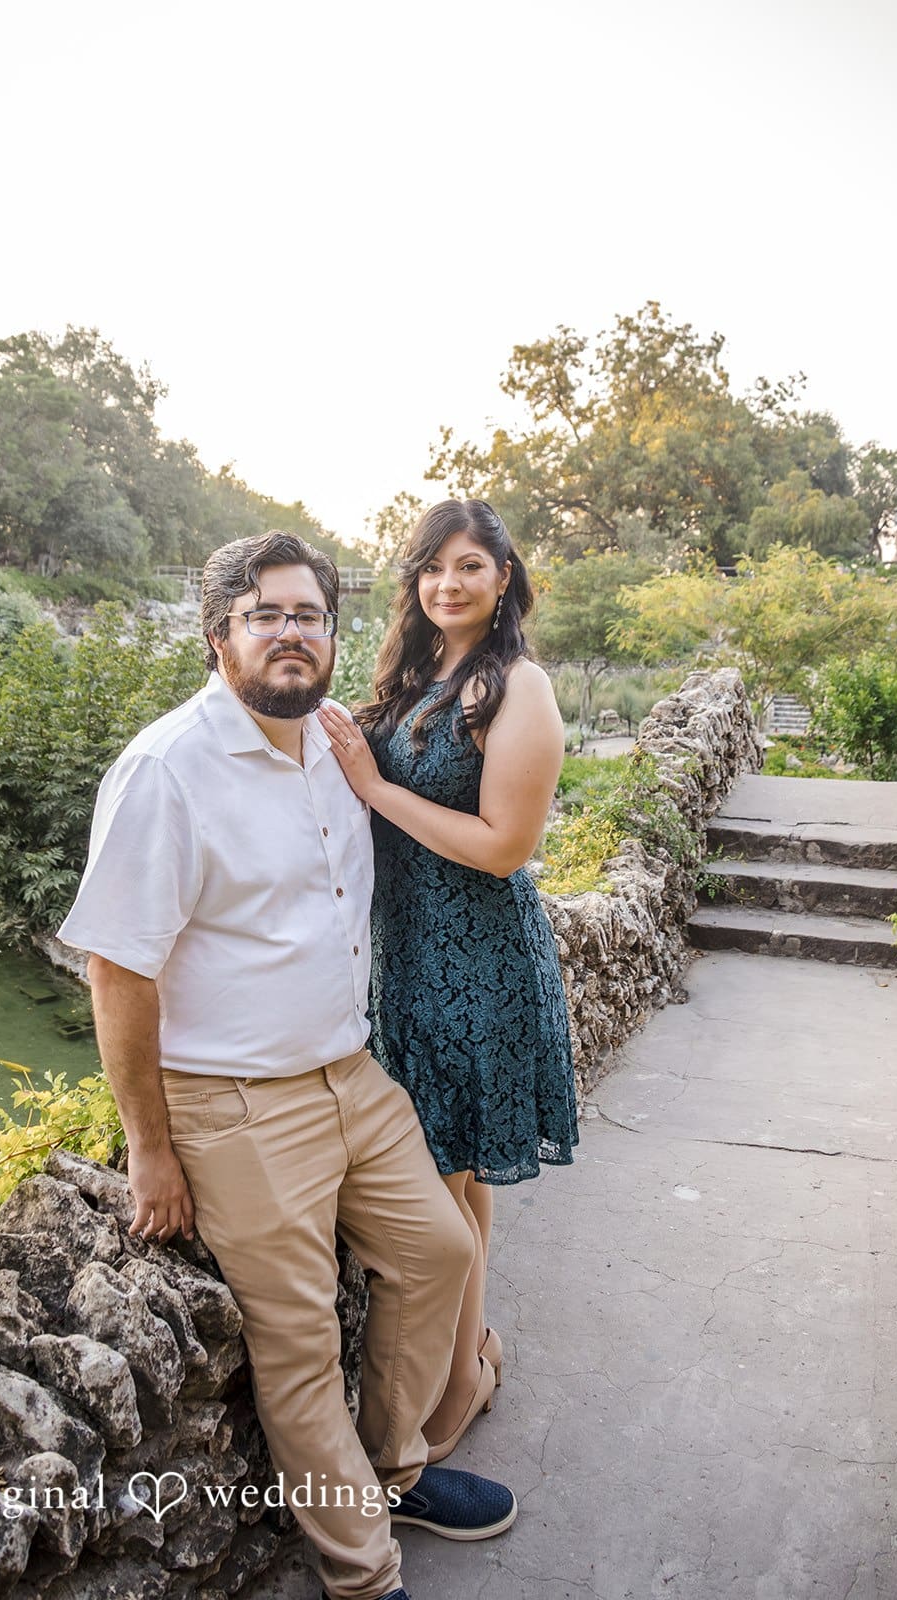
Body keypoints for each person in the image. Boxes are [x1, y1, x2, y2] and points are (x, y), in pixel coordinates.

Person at [57, 531, 517, 1600]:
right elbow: (116, 969)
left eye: (308, 614)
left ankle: (392, 1473)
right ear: (218, 635)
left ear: (332, 632)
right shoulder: (166, 770)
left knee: (439, 1253)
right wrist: (149, 1147)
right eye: (263, 615)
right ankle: (363, 1573)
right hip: (235, 1104)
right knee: (300, 1343)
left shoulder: (334, 740)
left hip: (351, 1076)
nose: (289, 633)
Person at [318, 499, 578, 1463]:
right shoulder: (414, 675)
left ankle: (461, 1377)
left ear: (503, 577)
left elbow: (505, 846)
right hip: (408, 956)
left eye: (469, 565)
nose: (447, 584)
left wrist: (375, 789)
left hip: (476, 964)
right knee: (455, 1172)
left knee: (444, 1173)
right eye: (431, 567)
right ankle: (472, 1351)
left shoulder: (518, 688)